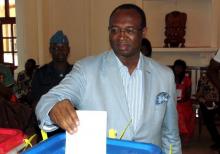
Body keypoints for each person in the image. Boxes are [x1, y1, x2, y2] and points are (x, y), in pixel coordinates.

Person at [36, 4, 181, 153]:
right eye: (114, 30)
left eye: (129, 30)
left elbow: (170, 134)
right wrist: (53, 108)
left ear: (143, 32)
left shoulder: (164, 76)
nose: (121, 36)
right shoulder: (86, 70)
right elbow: (48, 100)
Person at [30, 30, 73, 138]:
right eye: (56, 47)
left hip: (72, 129)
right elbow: (35, 103)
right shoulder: (40, 74)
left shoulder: (76, 73)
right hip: (47, 130)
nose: (60, 50)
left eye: (63, 47)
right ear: (50, 50)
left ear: (68, 50)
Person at [172, 59, 195, 145]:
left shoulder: (187, 79)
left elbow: (188, 95)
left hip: (184, 102)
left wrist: (181, 100)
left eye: (180, 68)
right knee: (175, 108)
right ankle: (174, 134)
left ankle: (182, 134)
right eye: (176, 67)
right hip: (172, 101)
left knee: (180, 110)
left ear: (183, 69)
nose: (178, 69)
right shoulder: (170, 78)